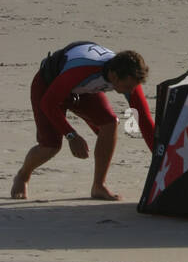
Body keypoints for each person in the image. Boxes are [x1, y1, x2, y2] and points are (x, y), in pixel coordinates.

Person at [11, 42, 155, 202]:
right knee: (50, 146)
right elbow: (48, 104)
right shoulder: (83, 70)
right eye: (128, 86)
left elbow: (145, 122)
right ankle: (23, 176)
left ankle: (99, 186)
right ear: (114, 76)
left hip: (82, 90)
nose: (131, 91)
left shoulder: (129, 78)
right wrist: (71, 135)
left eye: (134, 87)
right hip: (48, 86)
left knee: (110, 123)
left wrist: (160, 157)